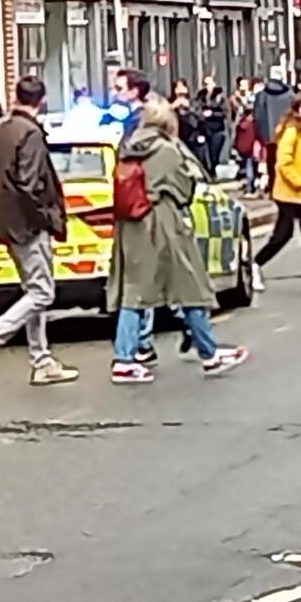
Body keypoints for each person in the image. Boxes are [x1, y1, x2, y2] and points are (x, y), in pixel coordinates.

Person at [108, 97, 249, 383]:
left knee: (133, 292)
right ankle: (209, 353)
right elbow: (185, 189)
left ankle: (125, 358)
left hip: (131, 226)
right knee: (189, 285)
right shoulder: (167, 149)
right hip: (163, 222)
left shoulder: (129, 147)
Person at [0, 77, 80, 387]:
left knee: (33, 288)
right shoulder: (29, 133)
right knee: (43, 291)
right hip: (28, 223)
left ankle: (41, 359)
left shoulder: (1, 129)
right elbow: (31, 183)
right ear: (41, 100)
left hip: (7, 219)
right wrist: (49, 216)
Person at [252, 94, 301, 290]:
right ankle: (255, 264)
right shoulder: (292, 132)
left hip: (300, 192)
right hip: (289, 192)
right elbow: (284, 162)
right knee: (284, 233)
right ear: (296, 111)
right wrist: (298, 183)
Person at [254, 66, 294, 190]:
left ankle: (274, 186)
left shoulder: (262, 95)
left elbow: (258, 115)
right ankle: (288, 185)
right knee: (288, 159)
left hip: (270, 135)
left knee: (272, 162)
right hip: (288, 132)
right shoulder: (290, 93)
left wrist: (262, 133)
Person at [172, 80, 209, 169]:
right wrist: (173, 106)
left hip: (193, 135)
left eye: (183, 87)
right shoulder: (170, 103)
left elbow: (201, 117)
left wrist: (189, 107)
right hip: (178, 136)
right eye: (178, 87)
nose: (180, 90)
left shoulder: (194, 102)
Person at [195, 76, 227, 174]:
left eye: (209, 83)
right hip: (204, 128)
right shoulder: (201, 96)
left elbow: (224, 113)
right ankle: (207, 171)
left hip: (216, 128)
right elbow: (196, 108)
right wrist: (201, 114)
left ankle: (213, 169)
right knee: (204, 152)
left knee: (214, 152)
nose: (207, 86)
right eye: (205, 84)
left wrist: (212, 113)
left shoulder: (220, 97)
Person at [113, 68, 151, 140]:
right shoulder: (138, 115)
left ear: (134, 92)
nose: (114, 93)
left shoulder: (139, 119)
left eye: (119, 89)